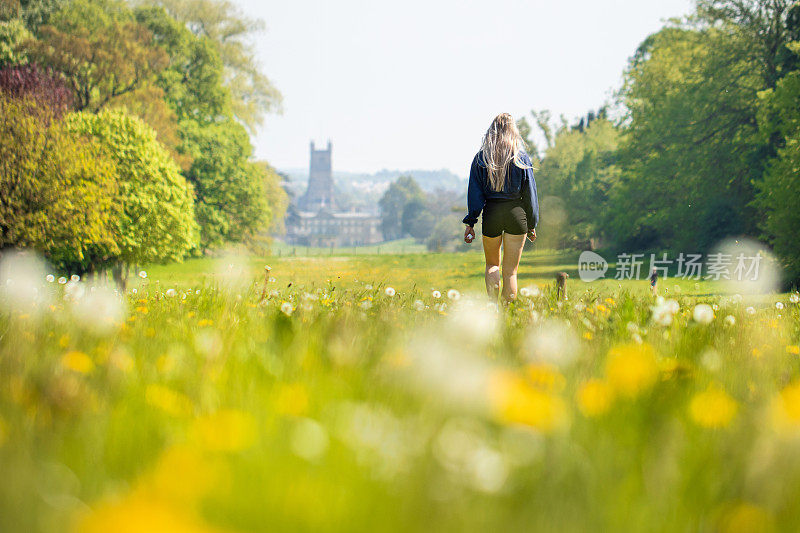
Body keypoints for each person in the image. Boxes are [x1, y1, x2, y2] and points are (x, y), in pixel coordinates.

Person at [463, 113, 539, 303]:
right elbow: (530, 193)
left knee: (492, 265)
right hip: (516, 214)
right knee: (511, 272)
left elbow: (475, 194)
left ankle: (493, 309)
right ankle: (507, 314)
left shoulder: (481, 159)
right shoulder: (521, 158)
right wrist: (531, 223)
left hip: (492, 214)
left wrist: (471, 221)